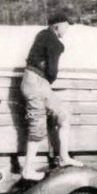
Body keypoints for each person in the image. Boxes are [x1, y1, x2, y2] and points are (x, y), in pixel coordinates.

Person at [20, 12, 83, 181]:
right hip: (37, 84)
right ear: (57, 25)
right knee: (37, 128)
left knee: (63, 115)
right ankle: (27, 170)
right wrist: (50, 79)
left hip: (34, 82)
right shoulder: (55, 43)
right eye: (66, 25)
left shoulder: (42, 34)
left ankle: (63, 157)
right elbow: (52, 72)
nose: (67, 29)